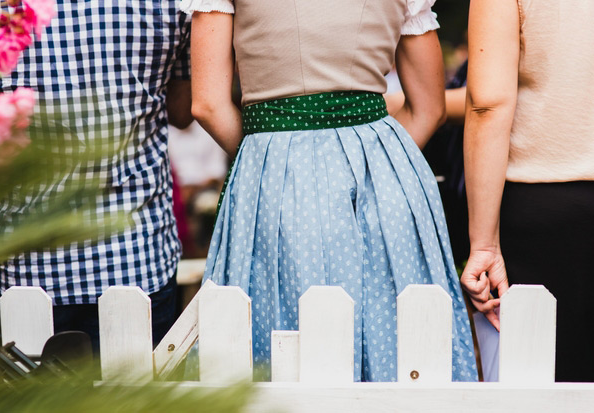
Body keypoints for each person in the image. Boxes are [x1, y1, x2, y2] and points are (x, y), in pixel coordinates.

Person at [183, 0, 478, 381]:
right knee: (400, 343)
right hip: (383, 178)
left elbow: (207, 105)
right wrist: (382, 162)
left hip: (275, 179)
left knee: (280, 342)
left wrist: (264, 160)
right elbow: (429, 108)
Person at [0, 0, 192, 352]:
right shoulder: (170, 4)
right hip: (135, 257)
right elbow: (183, 111)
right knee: (135, 405)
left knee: (30, 407)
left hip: (25, 266)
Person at [461, 0, 594, 382]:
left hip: (544, 210)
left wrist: (483, 245)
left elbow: (487, 103)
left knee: (545, 389)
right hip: (547, 211)